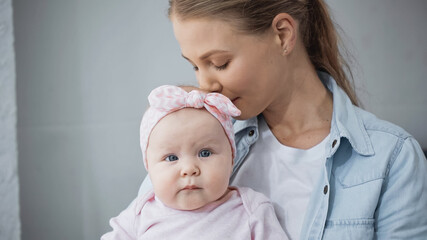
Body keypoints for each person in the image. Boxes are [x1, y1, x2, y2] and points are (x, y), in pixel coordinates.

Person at [137, 0, 427, 239]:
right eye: (195, 66)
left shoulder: (392, 158)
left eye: (219, 63)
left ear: (283, 34)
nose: (206, 85)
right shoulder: (195, 139)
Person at [102, 85, 288, 239]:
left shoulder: (251, 210)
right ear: (149, 167)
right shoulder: (140, 214)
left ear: (231, 157)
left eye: (205, 153)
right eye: (172, 158)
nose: (189, 169)